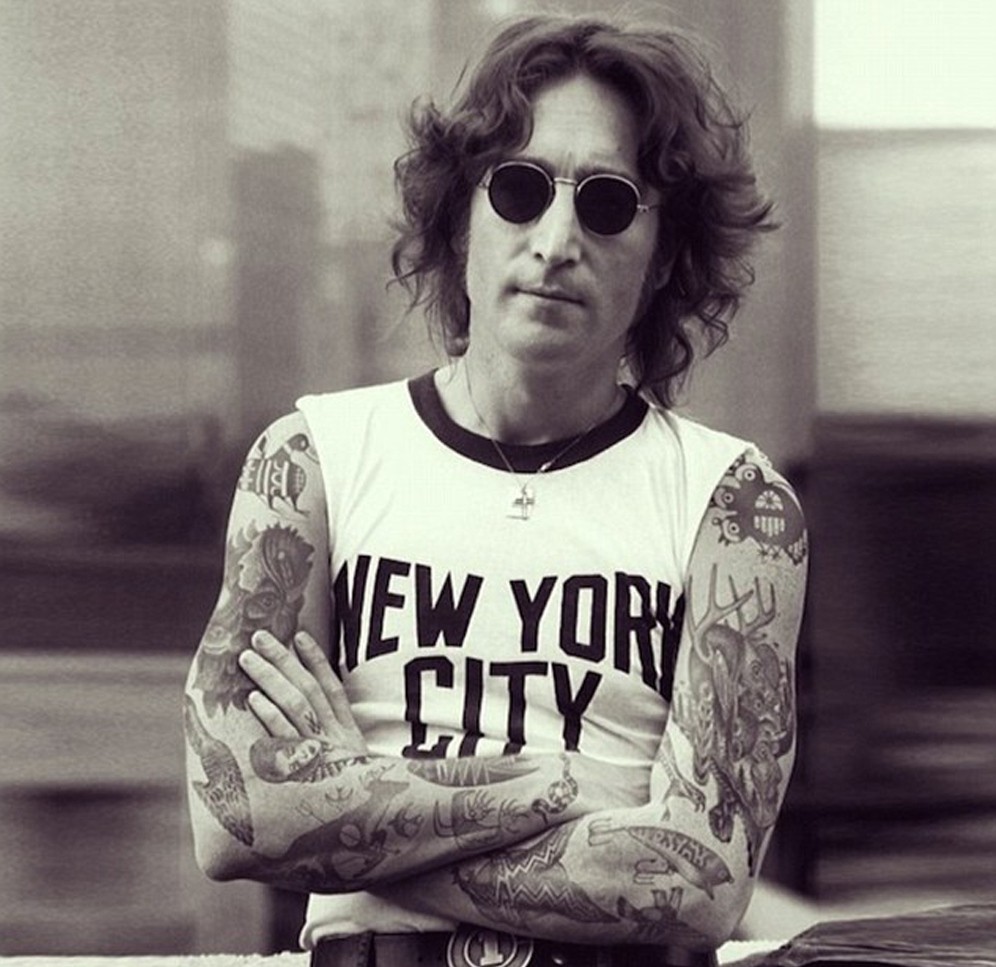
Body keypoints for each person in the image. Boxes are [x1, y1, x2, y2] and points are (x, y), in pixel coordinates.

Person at [184, 13, 808, 967]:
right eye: (519, 189)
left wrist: (355, 800)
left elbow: (700, 881)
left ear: (664, 258)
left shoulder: (733, 505)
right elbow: (237, 818)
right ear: (459, 218)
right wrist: (556, 792)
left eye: (608, 204)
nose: (556, 240)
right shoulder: (312, 460)